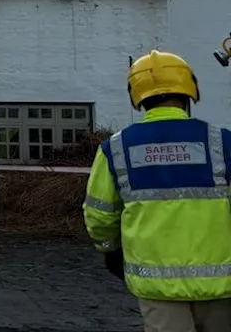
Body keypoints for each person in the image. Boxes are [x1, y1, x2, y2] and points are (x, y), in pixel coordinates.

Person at [84, 50, 231, 332]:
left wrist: (109, 250)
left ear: (136, 95)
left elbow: (99, 216)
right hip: (223, 285)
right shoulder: (222, 143)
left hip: (157, 287)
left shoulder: (115, 149)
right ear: (191, 90)